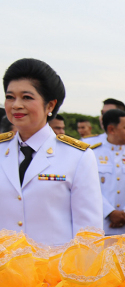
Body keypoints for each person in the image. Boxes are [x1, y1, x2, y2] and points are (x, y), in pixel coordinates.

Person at [0, 58, 102, 244]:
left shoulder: (77, 156)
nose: (16, 105)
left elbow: (88, 233)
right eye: (10, 97)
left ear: (50, 105)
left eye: (27, 97)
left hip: (55, 271)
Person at [91, 108, 125, 235]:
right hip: (102, 224)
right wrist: (109, 212)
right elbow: (90, 188)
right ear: (111, 129)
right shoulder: (92, 154)